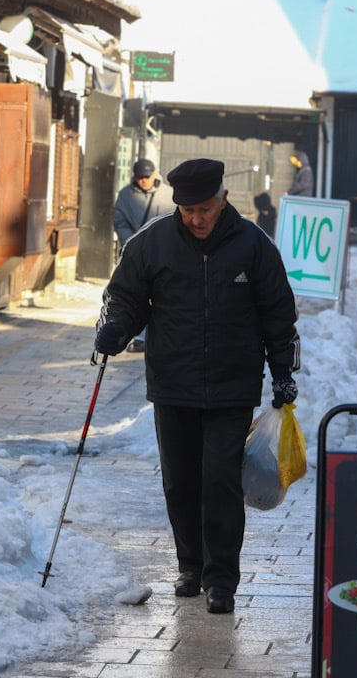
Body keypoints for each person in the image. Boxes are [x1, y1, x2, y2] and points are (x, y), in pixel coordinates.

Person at [93, 158, 301, 615]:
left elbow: (279, 315)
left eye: (205, 208)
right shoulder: (151, 244)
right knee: (181, 483)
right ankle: (191, 566)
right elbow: (125, 298)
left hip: (232, 386)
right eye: (188, 210)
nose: (197, 219)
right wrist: (115, 330)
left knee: (221, 480)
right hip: (173, 383)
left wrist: (283, 372)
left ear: (223, 198)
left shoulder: (253, 246)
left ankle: (221, 578)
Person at [111, 159, 175, 352]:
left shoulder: (169, 195)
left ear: (155, 173)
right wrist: (131, 244)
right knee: (136, 296)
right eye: (140, 177)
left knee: (162, 296)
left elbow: (176, 222)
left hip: (163, 254)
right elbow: (119, 221)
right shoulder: (125, 196)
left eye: (147, 176)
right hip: (135, 257)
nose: (144, 181)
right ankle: (139, 336)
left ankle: (159, 336)